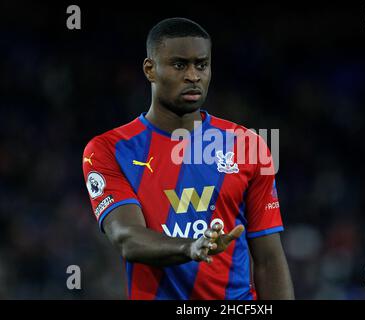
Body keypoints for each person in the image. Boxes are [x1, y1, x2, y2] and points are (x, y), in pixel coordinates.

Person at [82, 17, 294, 300]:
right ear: (150, 70)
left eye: (201, 65)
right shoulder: (109, 150)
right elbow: (127, 237)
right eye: (180, 65)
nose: (193, 75)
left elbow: (269, 259)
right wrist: (190, 247)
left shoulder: (247, 145)